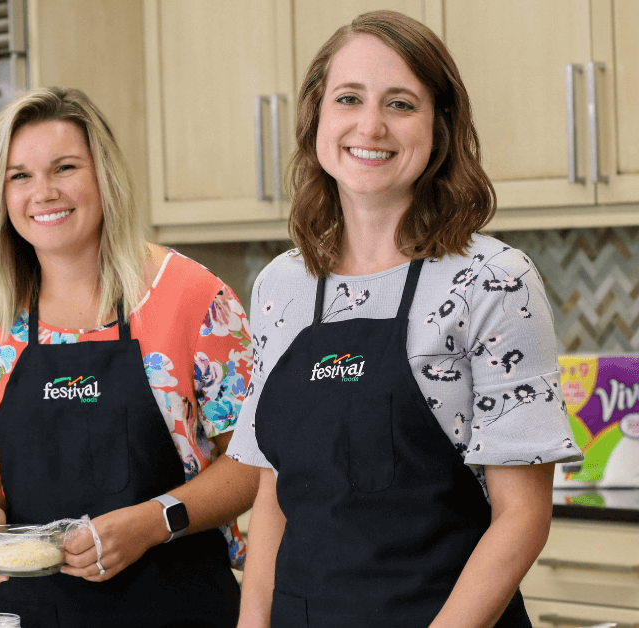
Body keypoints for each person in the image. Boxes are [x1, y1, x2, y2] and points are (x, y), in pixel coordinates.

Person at [222, 11, 584, 628]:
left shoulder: (492, 279)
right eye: (349, 99)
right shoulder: (281, 286)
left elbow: (522, 516)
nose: (371, 125)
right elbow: (274, 494)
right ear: (316, 119)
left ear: (440, 128)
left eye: (400, 103)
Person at [0, 87, 259, 627]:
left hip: (180, 609)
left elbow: (254, 464)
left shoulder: (193, 299)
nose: (43, 192)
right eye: (19, 175)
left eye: (63, 168)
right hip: (34, 614)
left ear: (103, 176)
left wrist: (152, 522)